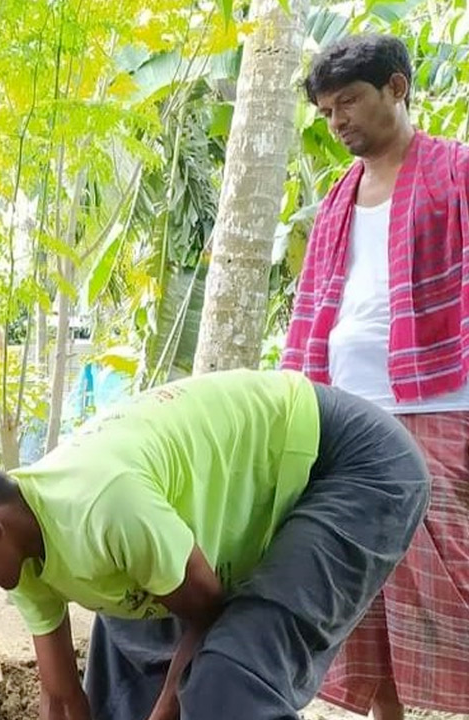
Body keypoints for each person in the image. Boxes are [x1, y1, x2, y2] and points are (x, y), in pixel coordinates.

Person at [0, 369, 429, 720]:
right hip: (255, 510)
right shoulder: (23, 553)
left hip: (350, 466)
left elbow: (207, 607)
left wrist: (169, 704)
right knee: (120, 662)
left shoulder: (103, 505)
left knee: (225, 683)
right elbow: (62, 696)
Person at [282, 34, 469, 718]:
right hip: (344, 408)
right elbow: (316, 299)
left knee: (445, 577)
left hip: (439, 399)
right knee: (364, 584)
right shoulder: (338, 196)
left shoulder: (456, 171)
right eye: (328, 111)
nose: (337, 122)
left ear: (397, 88)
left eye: (350, 101)